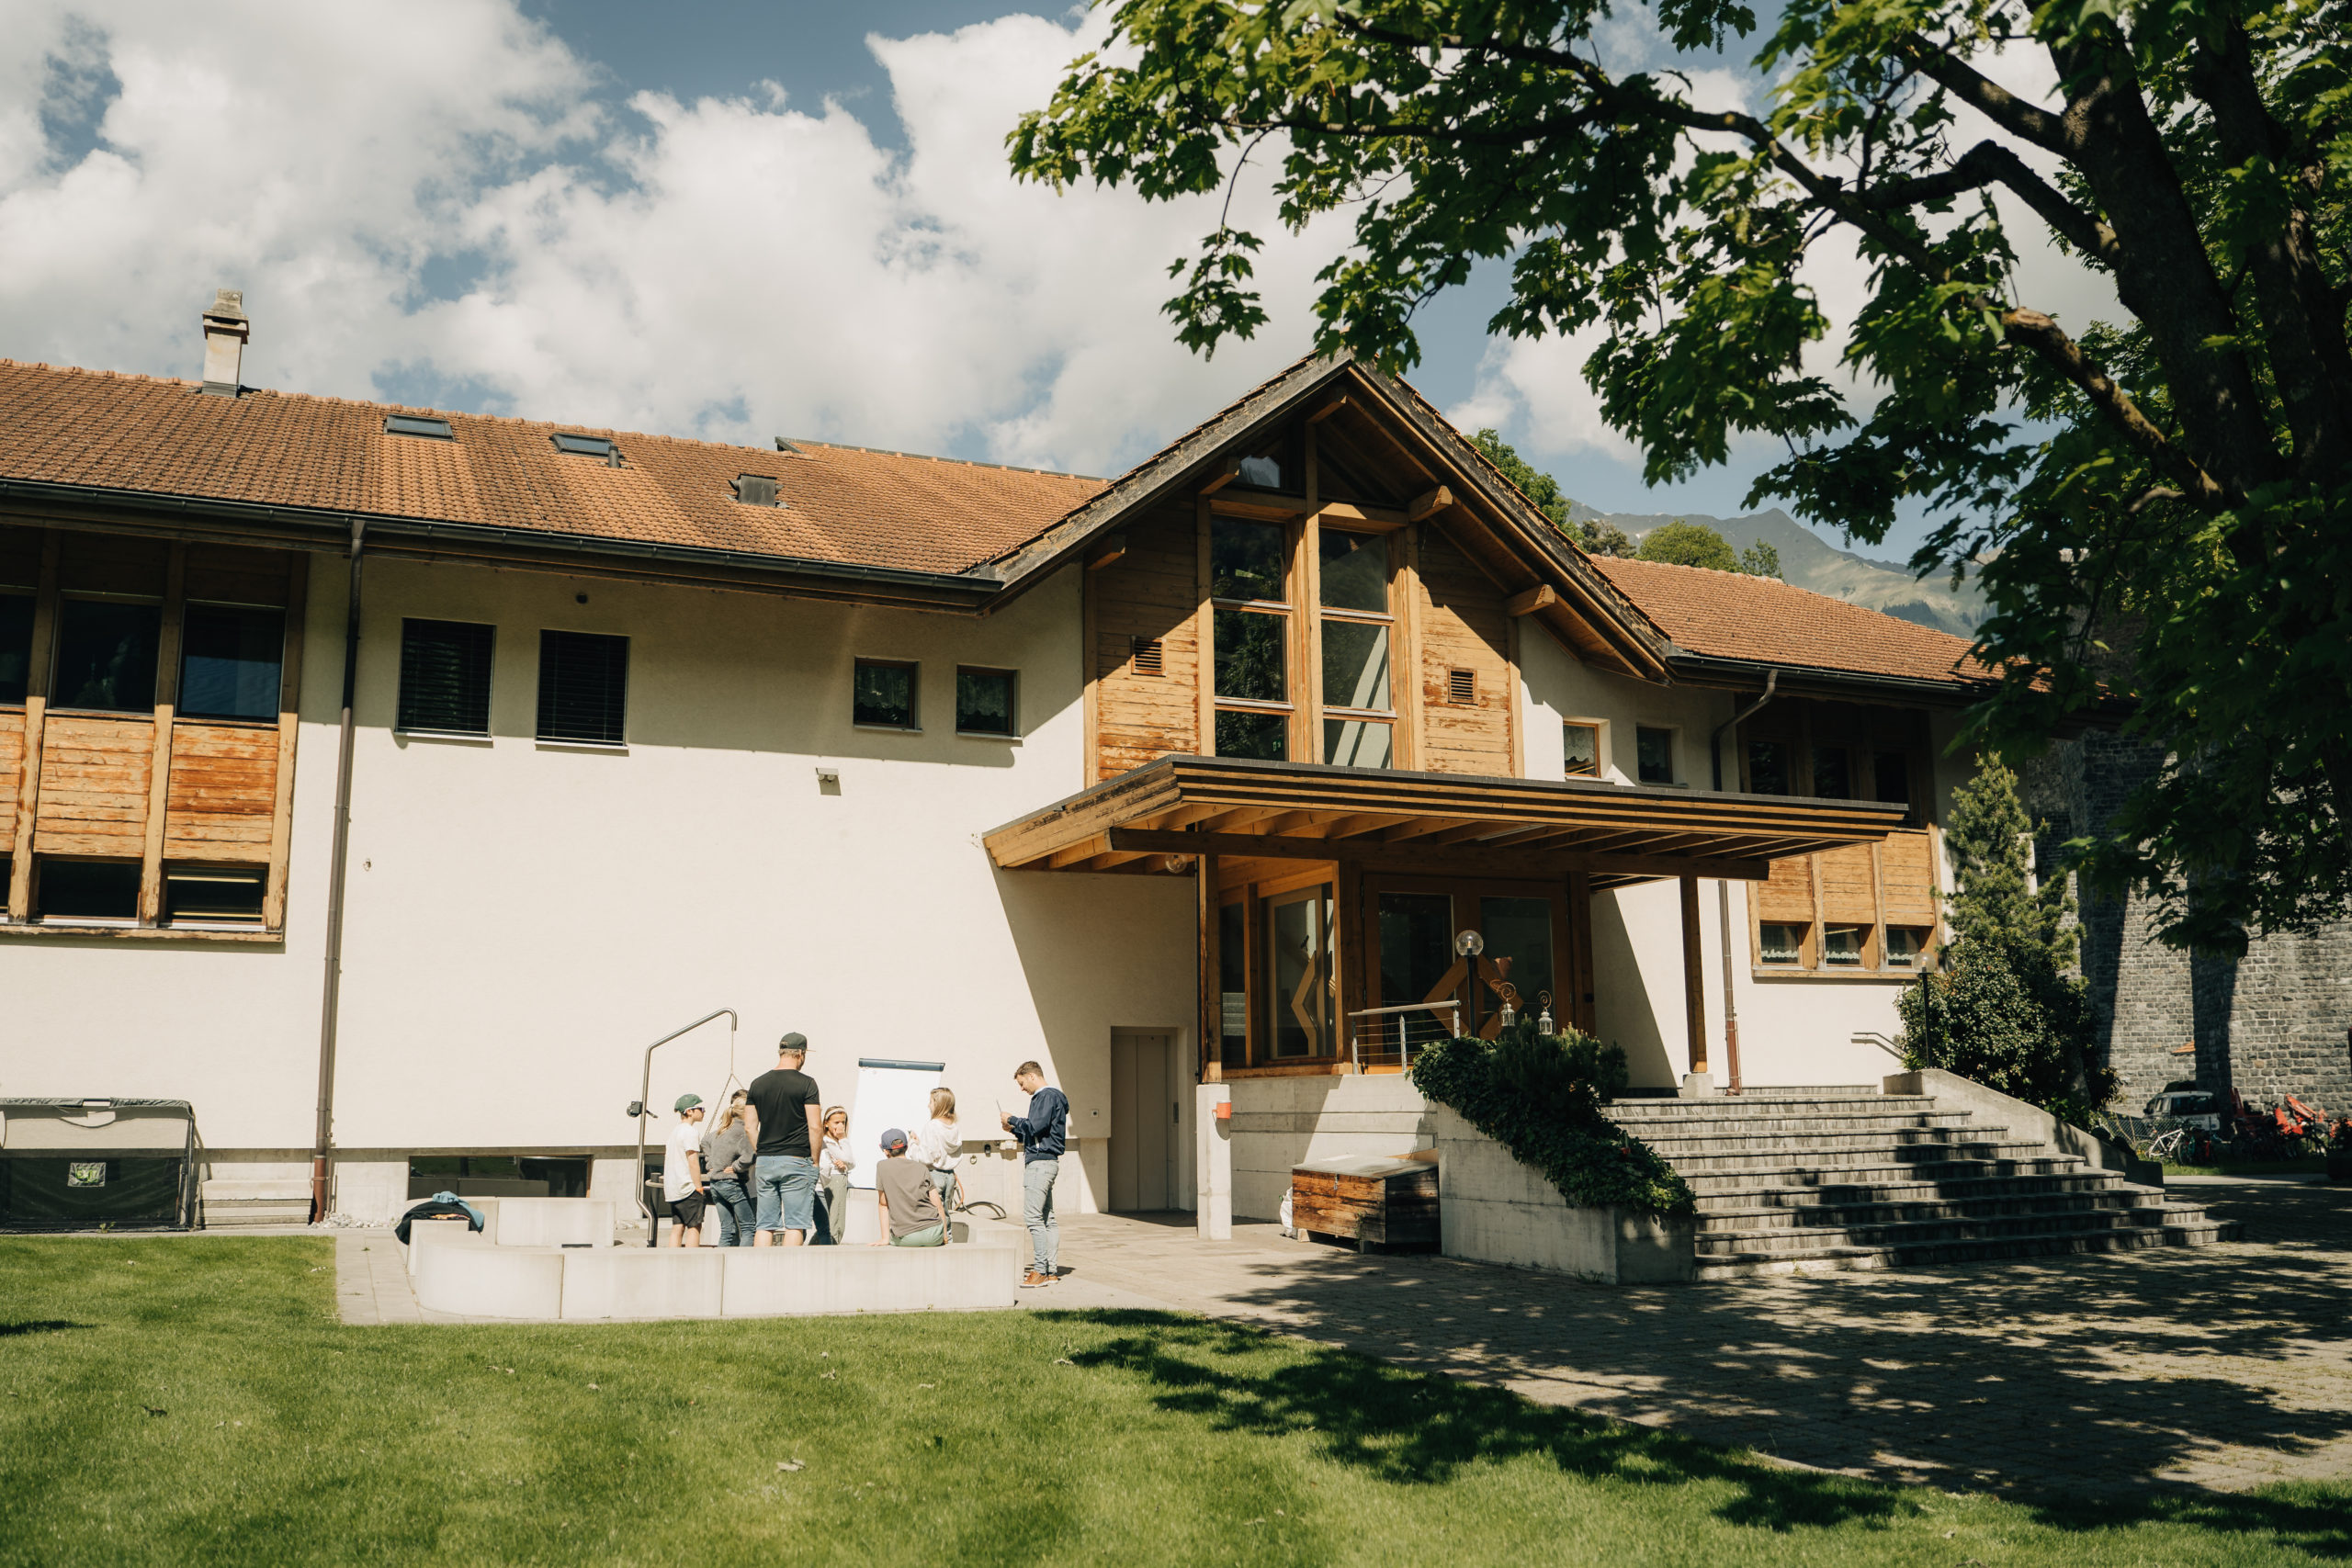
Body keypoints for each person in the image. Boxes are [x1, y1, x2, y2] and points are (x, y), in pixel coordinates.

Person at [743, 1033, 823, 1247]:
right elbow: (815, 1127)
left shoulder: (757, 1084)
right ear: (800, 1054)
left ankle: (759, 1265)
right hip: (797, 1159)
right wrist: (815, 1160)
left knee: (764, 1224)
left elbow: (750, 1127)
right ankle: (789, 1267)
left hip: (765, 1160)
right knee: (795, 1224)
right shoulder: (807, 1084)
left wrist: (762, 1152)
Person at [1001, 1061, 1067, 1287]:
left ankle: (1040, 1271)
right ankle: (1051, 1271)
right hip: (1047, 1161)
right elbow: (1037, 1133)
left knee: (1033, 1217)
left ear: (1031, 1076)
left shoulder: (1045, 1096)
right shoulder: (1053, 1097)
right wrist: (1015, 1129)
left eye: (1022, 1083)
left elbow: (1035, 1126)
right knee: (1047, 1218)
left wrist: (1012, 1119)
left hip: (1039, 1165)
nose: (1022, 1089)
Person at [871, 1127, 946, 1247]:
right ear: (906, 1147)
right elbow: (938, 1205)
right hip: (934, 1234)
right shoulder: (921, 1167)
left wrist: (885, 1238)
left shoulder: (882, 1167)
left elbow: (883, 1204)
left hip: (907, 1237)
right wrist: (944, 1236)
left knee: (894, 1237)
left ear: (885, 1151)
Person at [700, 1091, 756, 1247]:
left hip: (716, 1184)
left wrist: (711, 1164)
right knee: (748, 1228)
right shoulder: (743, 1132)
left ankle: (721, 1259)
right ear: (747, 1113)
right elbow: (749, 1156)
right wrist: (737, 1167)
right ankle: (743, 1261)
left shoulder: (722, 1130)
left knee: (727, 1230)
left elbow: (705, 1141)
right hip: (733, 1184)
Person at [662, 1094, 710, 1247]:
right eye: (701, 1109)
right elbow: (693, 1161)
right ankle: (692, 1258)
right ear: (690, 1111)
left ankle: (673, 1257)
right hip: (687, 1187)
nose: (703, 1112)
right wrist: (698, 1187)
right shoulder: (690, 1131)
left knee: (678, 1227)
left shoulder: (675, 1131)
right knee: (695, 1226)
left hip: (673, 1188)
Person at [913, 1088, 962, 1238]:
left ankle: (939, 1241)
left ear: (938, 1104)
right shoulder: (954, 1127)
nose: (928, 1105)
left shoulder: (932, 1125)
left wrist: (913, 1146)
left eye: (931, 1102)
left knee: (933, 1213)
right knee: (945, 1211)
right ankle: (948, 1239)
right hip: (950, 1176)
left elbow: (926, 1157)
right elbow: (941, 1151)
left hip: (934, 1174)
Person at [816, 1106, 854, 1246]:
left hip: (839, 1178)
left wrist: (845, 1165)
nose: (840, 1126)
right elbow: (848, 1159)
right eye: (836, 1122)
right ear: (826, 1123)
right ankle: (829, 1246)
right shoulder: (827, 1141)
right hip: (833, 1180)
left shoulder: (837, 1141)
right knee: (835, 1221)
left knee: (834, 1220)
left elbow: (851, 1163)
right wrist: (843, 1138)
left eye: (843, 1122)